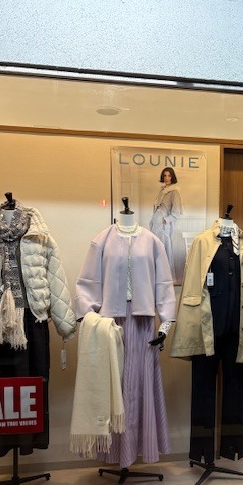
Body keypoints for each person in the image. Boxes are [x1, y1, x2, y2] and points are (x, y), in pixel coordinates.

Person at [0, 195, 77, 457]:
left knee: (31, 392)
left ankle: (28, 442)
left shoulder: (40, 238)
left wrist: (64, 324)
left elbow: (56, 279)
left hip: (31, 326)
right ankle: (0, 444)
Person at [74, 198, 176, 468]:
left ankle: (137, 450)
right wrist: (87, 315)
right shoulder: (102, 240)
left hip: (143, 326)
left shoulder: (152, 242)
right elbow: (87, 281)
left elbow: (164, 284)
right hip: (110, 325)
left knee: (140, 386)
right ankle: (115, 454)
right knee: (114, 385)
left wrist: (165, 324)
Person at [170, 211, 243, 485]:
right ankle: (202, 453)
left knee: (236, 389)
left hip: (238, 331)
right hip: (206, 330)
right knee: (202, 390)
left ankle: (231, 449)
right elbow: (191, 283)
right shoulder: (202, 241)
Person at [149, 166, 183, 282]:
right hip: (156, 223)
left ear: (172, 177)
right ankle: (157, 277)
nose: (167, 178)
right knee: (156, 248)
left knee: (164, 249)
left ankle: (166, 278)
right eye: (165, 175)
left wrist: (165, 220)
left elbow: (176, 212)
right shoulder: (162, 191)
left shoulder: (174, 191)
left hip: (163, 225)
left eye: (169, 175)